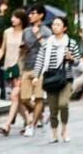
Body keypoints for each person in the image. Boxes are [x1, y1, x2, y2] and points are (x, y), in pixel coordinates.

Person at [33, 15, 80, 144]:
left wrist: (71, 58)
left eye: (58, 24)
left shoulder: (71, 43)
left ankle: (64, 130)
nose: (55, 27)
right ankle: (54, 134)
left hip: (66, 79)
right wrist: (36, 76)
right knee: (53, 109)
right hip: (50, 79)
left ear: (64, 28)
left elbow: (77, 62)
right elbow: (40, 60)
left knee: (63, 104)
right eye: (53, 24)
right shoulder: (47, 43)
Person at [19, 4, 51, 136]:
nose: (30, 16)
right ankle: (41, 115)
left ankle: (31, 125)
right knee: (24, 98)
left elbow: (48, 49)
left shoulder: (47, 31)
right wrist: (23, 48)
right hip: (27, 67)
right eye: (30, 14)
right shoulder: (26, 31)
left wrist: (39, 36)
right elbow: (23, 51)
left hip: (41, 68)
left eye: (33, 13)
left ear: (41, 15)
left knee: (38, 98)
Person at [0, 9, 29, 135]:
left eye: (15, 17)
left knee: (14, 96)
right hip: (8, 68)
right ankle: (30, 120)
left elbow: (27, 52)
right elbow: (2, 49)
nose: (12, 19)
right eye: (12, 17)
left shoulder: (26, 33)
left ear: (21, 20)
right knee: (16, 99)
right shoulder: (7, 32)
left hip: (20, 69)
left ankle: (7, 125)